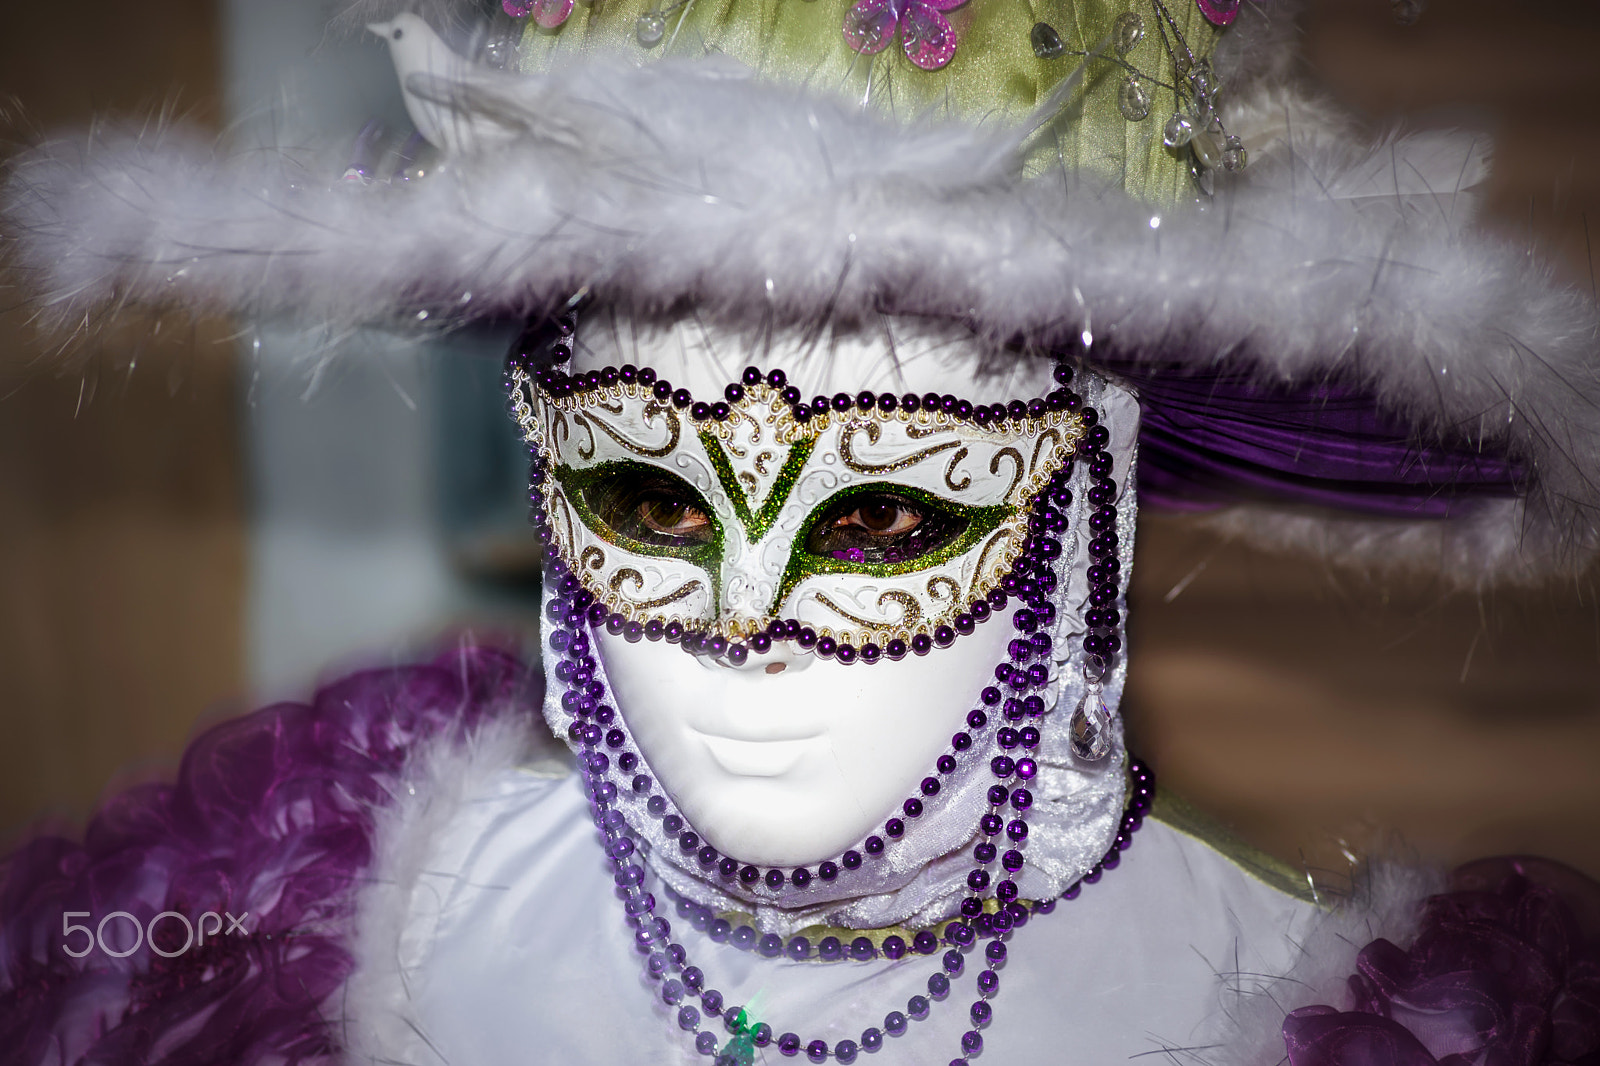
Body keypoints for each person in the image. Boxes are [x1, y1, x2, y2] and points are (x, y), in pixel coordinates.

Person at [3, 1, 1598, 1064]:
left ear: (1083, 525)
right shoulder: (311, 914)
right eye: (646, 497)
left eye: (886, 511)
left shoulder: (1307, 997)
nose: (737, 627)